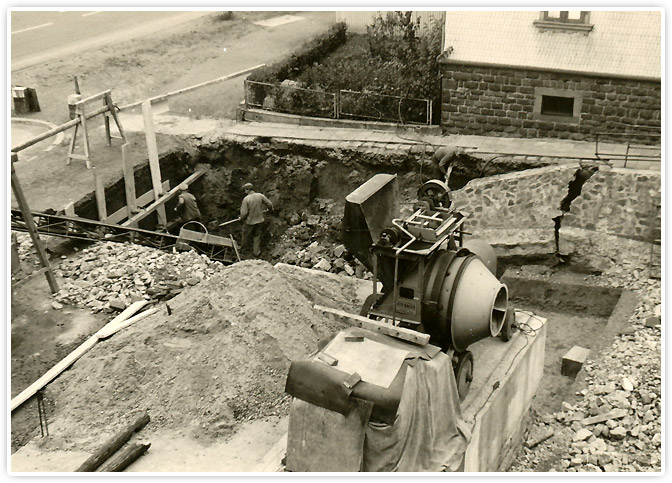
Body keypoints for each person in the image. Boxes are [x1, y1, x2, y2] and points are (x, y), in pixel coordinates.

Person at [240, 182, 273, 258]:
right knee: (256, 237)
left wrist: (241, 218)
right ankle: (256, 253)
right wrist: (270, 210)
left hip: (249, 222)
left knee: (245, 236)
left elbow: (244, 213)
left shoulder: (246, 199)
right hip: (259, 221)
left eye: (245, 189)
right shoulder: (260, 196)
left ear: (248, 189)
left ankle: (243, 252)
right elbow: (270, 204)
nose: (245, 191)